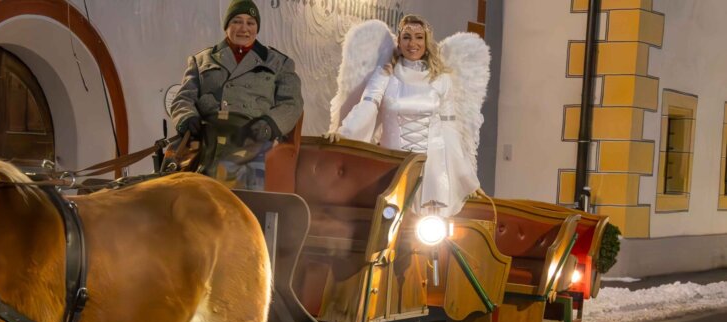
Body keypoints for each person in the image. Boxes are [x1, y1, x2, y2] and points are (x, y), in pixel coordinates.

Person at [328, 15, 490, 216]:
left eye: (418, 37)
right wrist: (343, 134)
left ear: (426, 41)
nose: (412, 43)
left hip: (433, 169)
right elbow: (367, 107)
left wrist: (468, 178)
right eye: (406, 37)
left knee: (429, 236)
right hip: (394, 167)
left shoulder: (442, 79)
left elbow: (450, 132)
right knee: (389, 225)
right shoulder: (385, 74)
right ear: (399, 41)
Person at [169, 0, 303, 190]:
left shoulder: (279, 63)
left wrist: (269, 125)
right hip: (207, 133)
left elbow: (292, 103)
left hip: (250, 135)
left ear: (257, 27)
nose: (244, 28)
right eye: (237, 21)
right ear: (226, 26)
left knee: (221, 176)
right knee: (168, 173)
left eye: (251, 23)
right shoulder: (201, 60)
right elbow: (183, 98)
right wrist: (187, 117)